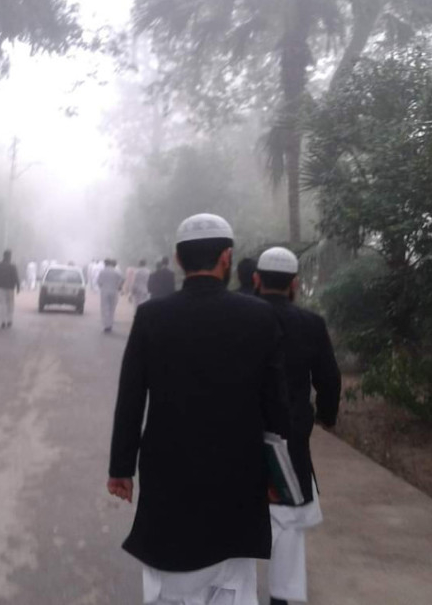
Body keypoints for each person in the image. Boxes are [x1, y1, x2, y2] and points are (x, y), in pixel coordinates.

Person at [108, 213, 291, 605]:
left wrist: (121, 467)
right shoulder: (259, 317)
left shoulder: (152, 316)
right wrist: (277, 474)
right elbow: (277, 405)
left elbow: (131, 397)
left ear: (177, 259)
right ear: (227, 257)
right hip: (238, 475)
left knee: (169, 579)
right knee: (232, 583)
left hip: (169, 473)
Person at [254, 247, 341, 605]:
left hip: (237, 433)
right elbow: (329, 379)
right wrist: (325, 415)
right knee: (287, 519)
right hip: (290, 436)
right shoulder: (310, 323)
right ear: (294, 283)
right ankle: (281, 598)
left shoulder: (240, 318)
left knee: (232, 511)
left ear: (256, 279)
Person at [0, 250, 21, 329]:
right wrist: (18, 286)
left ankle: (3, 321)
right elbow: (16, 277)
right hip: (10, 288)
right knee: (10, 304)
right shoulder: (12, 266)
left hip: (0, 287)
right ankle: (9, 320)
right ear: (9, 257)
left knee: (2, 304)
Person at [97, 259, 124, 333]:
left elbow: (99, 282)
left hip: (105, 291)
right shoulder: (117, 272)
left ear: (106, 264)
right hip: (114, 291)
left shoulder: (102, 272)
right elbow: (122, 280)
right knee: (112, 308)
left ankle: (106, 325)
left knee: (105, 308)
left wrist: (102, 287)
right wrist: (118, 286)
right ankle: (110, 324)